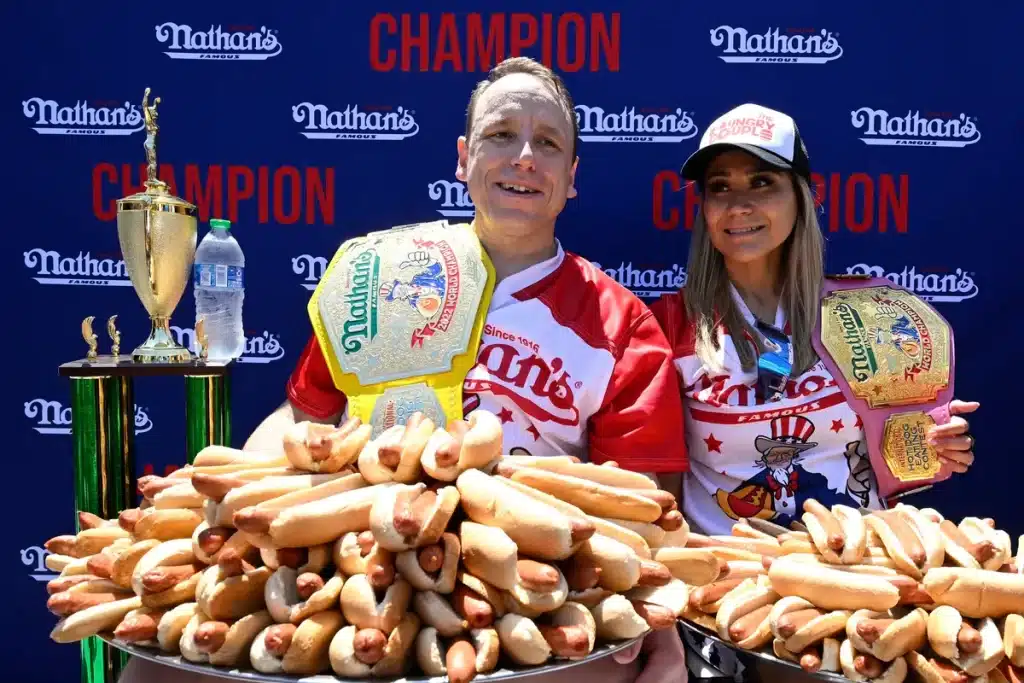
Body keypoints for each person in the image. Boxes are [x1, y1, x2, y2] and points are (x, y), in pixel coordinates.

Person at [119, 57, 689, 683]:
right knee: (154, 672)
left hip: (522, 593)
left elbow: (640, 503)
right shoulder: (379, 275)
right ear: (463, 158)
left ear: (571, 176)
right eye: (501, 135)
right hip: (353, 566)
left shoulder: (619, 323)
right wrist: (233, 506)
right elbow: (302, 416)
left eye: (548, 143)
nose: (524, 156)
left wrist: (658, 623)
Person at [648, 103, 979, 682]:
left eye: (762, 183)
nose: (739, 205)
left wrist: (938, 446)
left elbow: (906, 463)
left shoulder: (866, 316)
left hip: (863, 585)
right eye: (719, 187)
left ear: (802, 196)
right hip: (734, 600)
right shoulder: (668, 327)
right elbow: (662, 501)